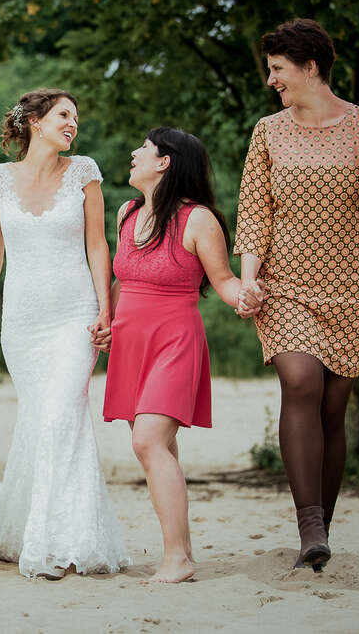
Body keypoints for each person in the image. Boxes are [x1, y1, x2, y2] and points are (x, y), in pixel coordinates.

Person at [235, 18, 359, 571]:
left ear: (310, 67)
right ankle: (308, 521)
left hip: (354, 285)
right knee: (301, 381)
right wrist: (251, 276)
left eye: (278, 69)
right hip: (287, 284)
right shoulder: (268, 132)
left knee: (334, 407)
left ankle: (320, 531)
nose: (271, 80)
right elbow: (255, 211)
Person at [0, 88, 129, 579]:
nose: (73, 123)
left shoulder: (85, 172)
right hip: (22, 322)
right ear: (35, 121)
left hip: (74, 315)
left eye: (75, 117)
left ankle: (54, 545)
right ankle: (36, 531)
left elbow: (99, 246)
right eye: (64, 115)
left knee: (61, 416)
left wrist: (106, 309)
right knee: (42, 420)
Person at [102, 128, 263, 583]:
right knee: (159, 447)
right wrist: (106, 320)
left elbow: (224, 281)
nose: (133, 153)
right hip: (131, 342)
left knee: (148, 441)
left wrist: (246, 297)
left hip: (175, 340)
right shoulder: (126, 213)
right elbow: (122, 277)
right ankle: (182, 551)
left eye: (143, 149)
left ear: (166, 161)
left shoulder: (198, 220)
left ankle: (176, 559)